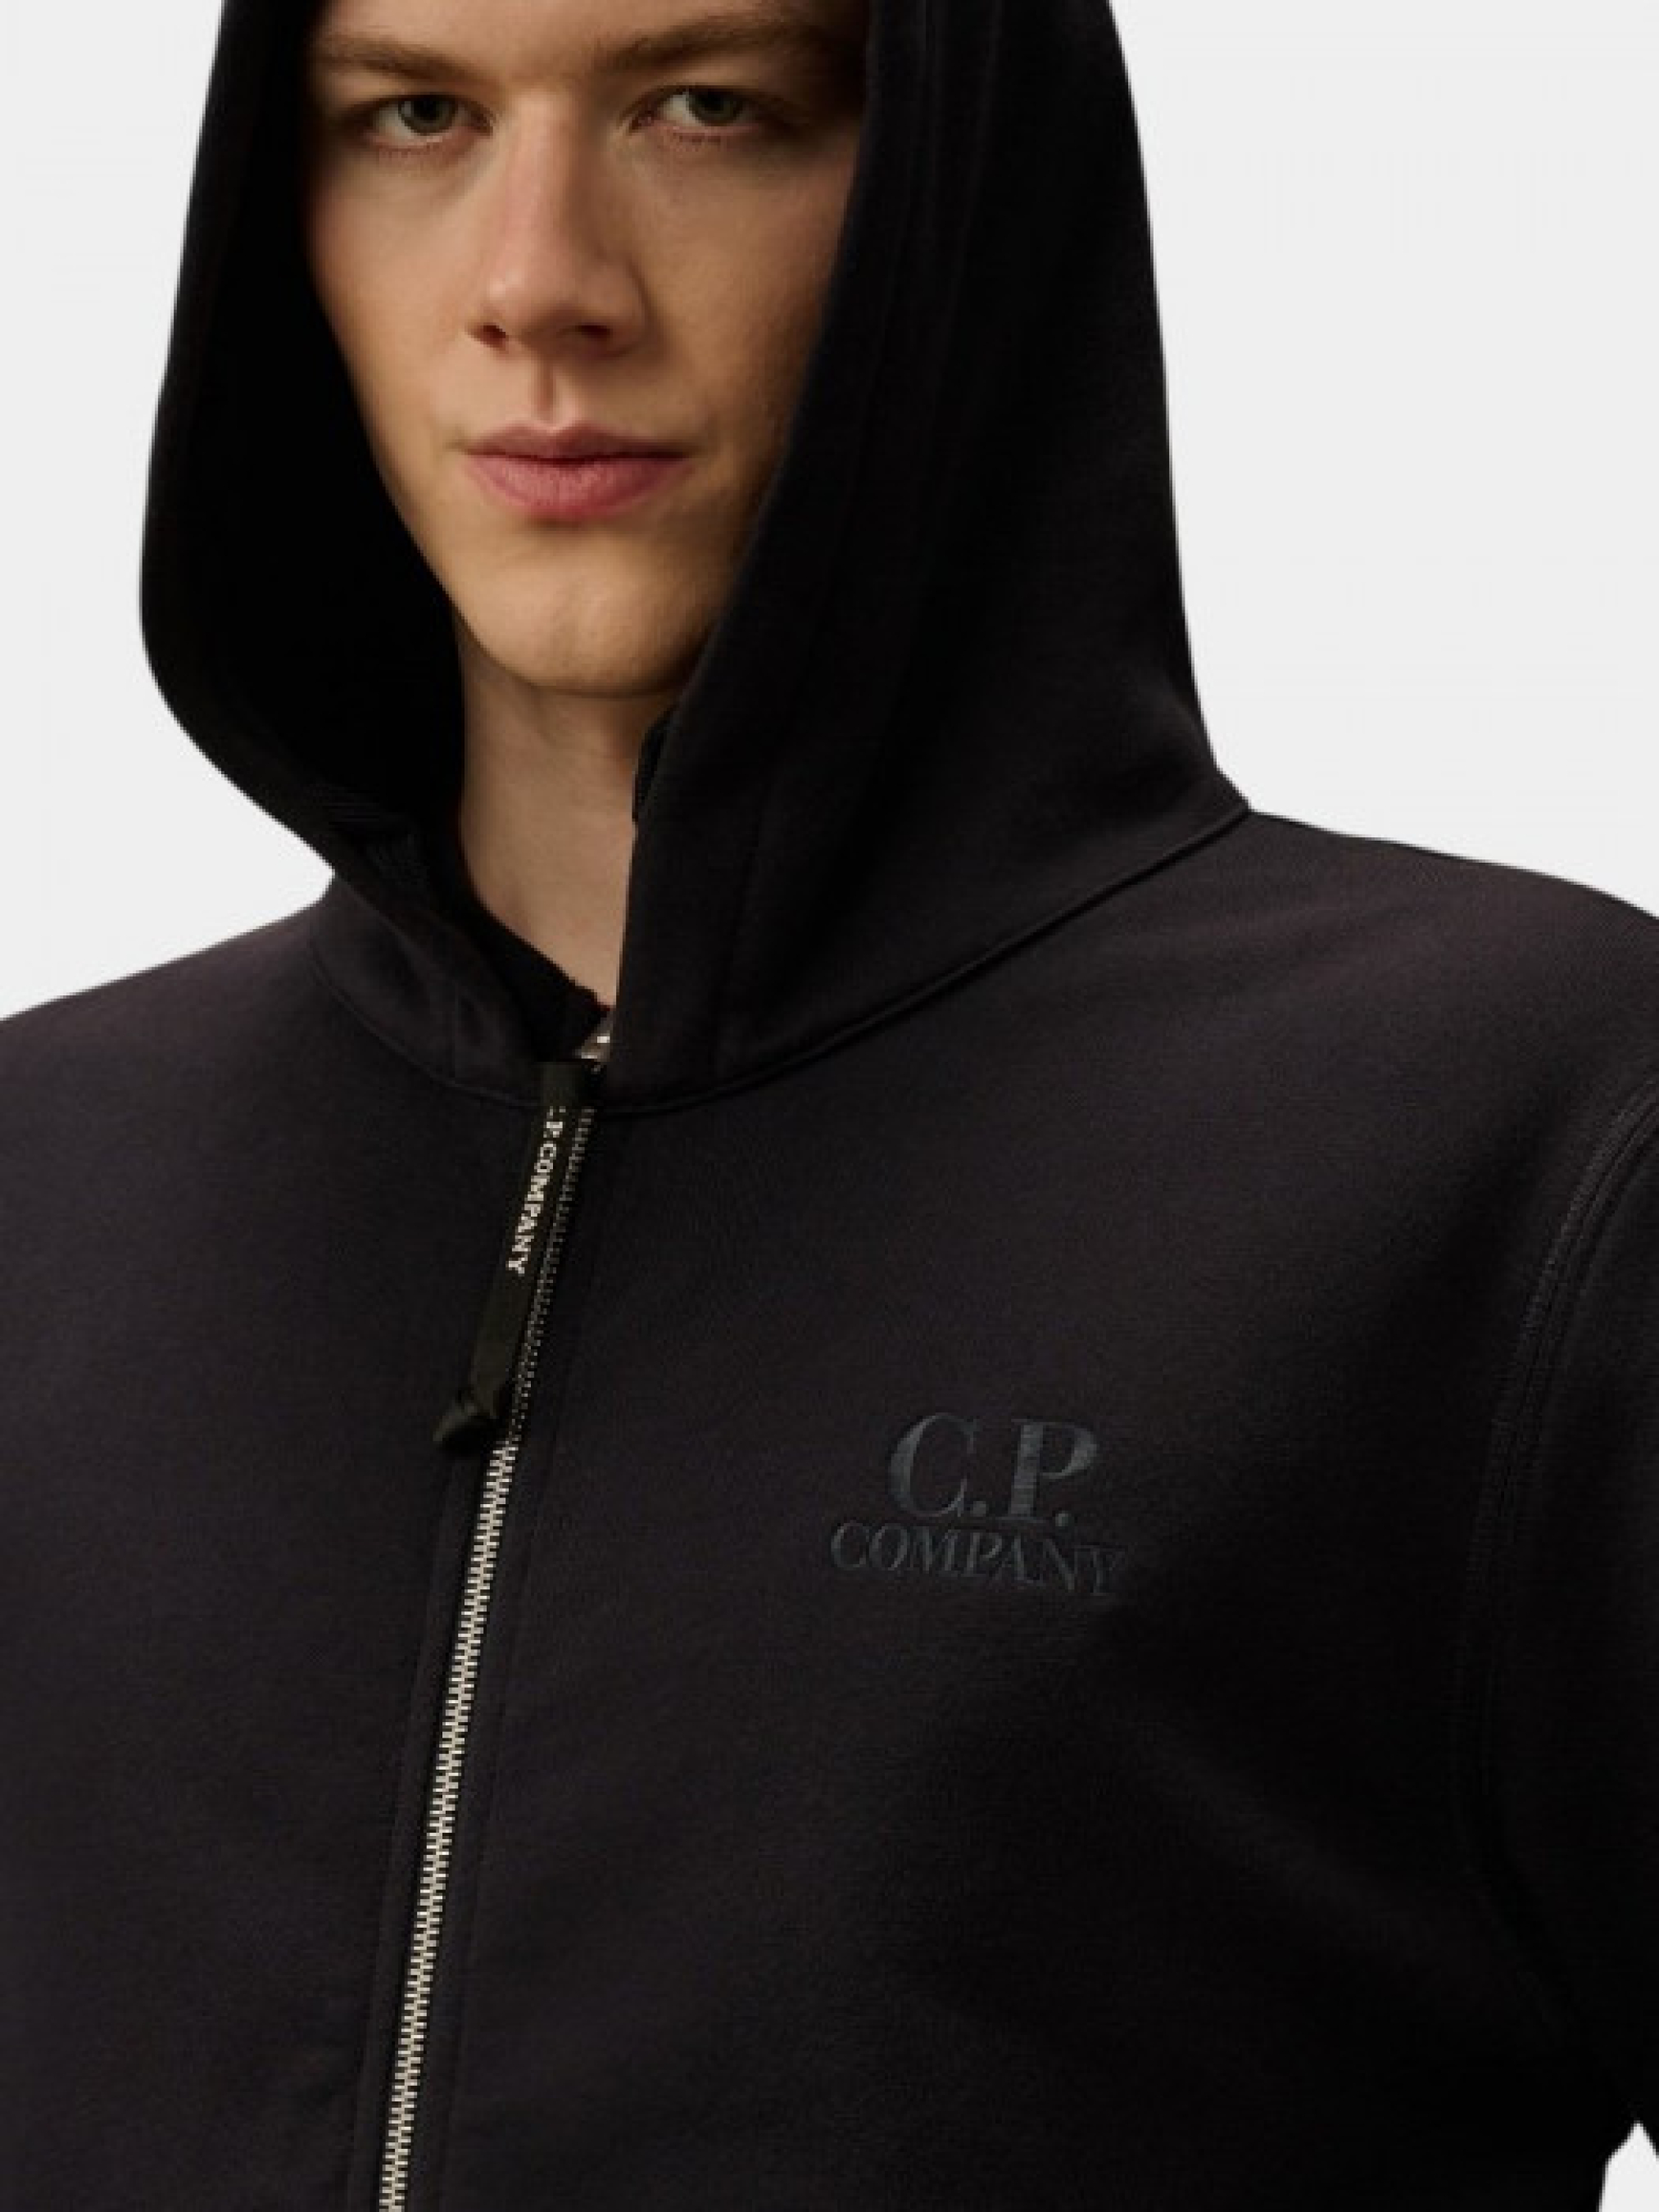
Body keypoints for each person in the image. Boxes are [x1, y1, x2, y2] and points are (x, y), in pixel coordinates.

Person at [2, 0, 1656, 2204]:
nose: (536, 282)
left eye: (709, 108)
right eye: (414, 114)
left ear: (967, 188)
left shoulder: (1514, 1137)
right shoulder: (43, 1182)